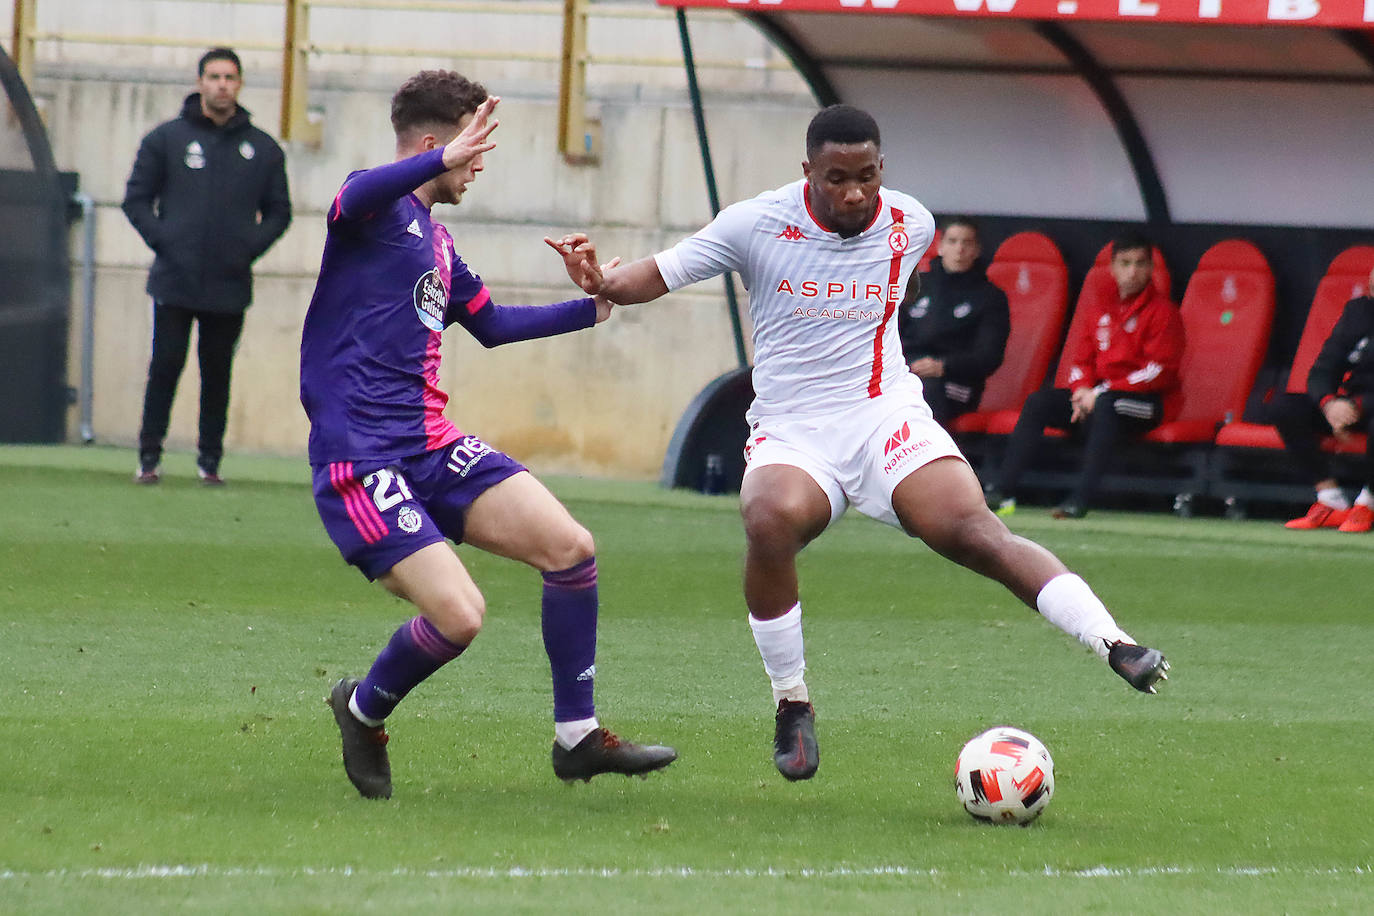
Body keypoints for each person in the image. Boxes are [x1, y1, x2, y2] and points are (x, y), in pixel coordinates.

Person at [546, 104, 1169, 784]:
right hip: (793, 427)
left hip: (881, 416)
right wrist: (605, 282)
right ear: (807, 171)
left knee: (972, 530)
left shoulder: (912, 223)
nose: (853, 193)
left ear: (883, 171)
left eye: (867, 176)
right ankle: (792, 705)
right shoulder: (755, 223)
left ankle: (1116, 643)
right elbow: (660, 273)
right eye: (837, 178)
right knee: (767, 519)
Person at [304, 70, 675, 800]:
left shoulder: (437, 244)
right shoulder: (369, 207)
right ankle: (362, 709)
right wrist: (438, 161)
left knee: (570, 549)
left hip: (431, 445)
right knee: (460, 616)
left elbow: (495, 324)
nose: (480, 164)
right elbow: (351, 196)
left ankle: (577, 739)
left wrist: (594, 303)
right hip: (362, 455)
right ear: (439, 145)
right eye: (474, 148)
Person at [123, 47, 292, 485]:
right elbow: (136, 199)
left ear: (239, 84)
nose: (222, 84)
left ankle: (209, 463)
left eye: (230, 77)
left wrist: (246, 249)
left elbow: (279, 212)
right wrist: (165, 241)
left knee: (217, 372)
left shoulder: (263, 148)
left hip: (229, 283)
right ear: (199, 82)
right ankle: (149, 457)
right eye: (214, 76)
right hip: (174, 278)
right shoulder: (165, 140)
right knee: (165, 365)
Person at [981, 234, 1184, 520]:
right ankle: (1003, 491)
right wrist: (1080, 390)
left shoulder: (1164, 312)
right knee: (1040, 402)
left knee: (1108, 404)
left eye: (1140, 264)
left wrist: (1098, 393)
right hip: (1098, 397)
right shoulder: (1100, 307)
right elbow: (1081, 359)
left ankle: (1080, 499)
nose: (1132, 271)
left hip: (1149, 404)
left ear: (1151, 269)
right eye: (1125, 263)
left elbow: (1158, 371)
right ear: (1113, 268)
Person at [1275, 265, 1374, 532]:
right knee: (1286, 407)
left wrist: (1358, 406)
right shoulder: (1358, 311)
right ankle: (1331, 499)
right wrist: (1330, 403)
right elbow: (1323, 369)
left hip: (1365, 406)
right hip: (1349, 406)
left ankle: (1367, 503)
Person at [897, 217, 1010, 426]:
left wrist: (943, 366)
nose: (959, 249)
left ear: (976, 250)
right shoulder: (915, 286)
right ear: (940, 247)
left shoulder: (990, 297)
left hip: (956, 382)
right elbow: (891, 335)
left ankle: (933, 456)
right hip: (907, 373)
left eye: (966, 243)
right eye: (953, 241)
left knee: (922, 392)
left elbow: (989, 357)